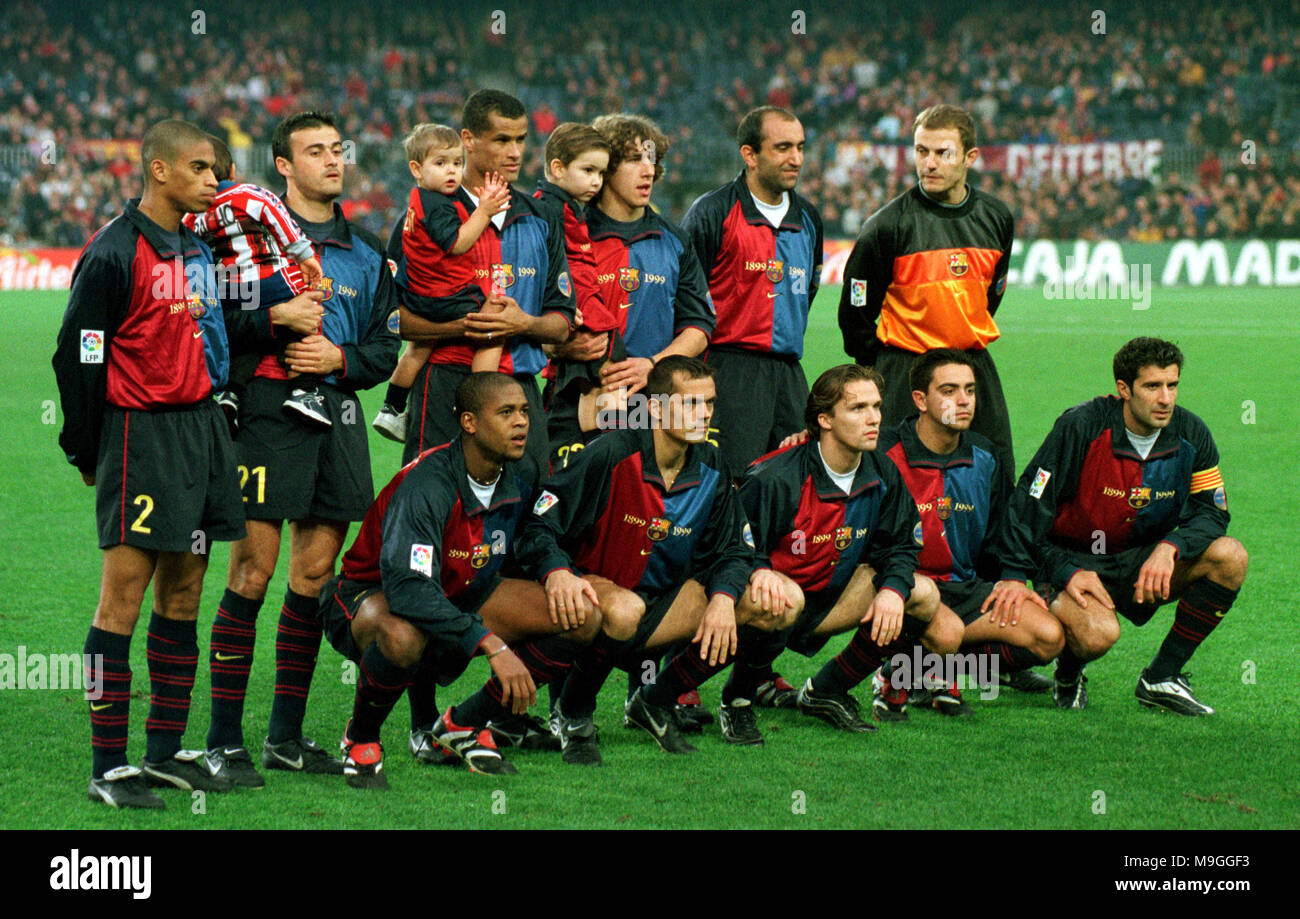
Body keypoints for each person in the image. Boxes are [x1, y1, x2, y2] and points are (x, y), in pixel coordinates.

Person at [202, 111, 401, 787]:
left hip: (338, 414)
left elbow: (383, 348)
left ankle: (285, 735)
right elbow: (214, 317)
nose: (332, 161)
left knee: (313, 577)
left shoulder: (368, 252)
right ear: (282, 165)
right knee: (251, 572)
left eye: (337, 150)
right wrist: (273, 320)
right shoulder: (241, 238)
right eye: (315, 151)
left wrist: (338, 357)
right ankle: (222, 740)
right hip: (265, 413)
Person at [53, 119, 245, 809]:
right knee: (123, 598)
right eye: (198, 168)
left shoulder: (198, 249)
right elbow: (79, 354)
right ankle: (109, 764)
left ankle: (163, 752)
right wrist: (84, 444)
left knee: (185, 592)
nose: (211, 180)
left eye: (216, 170)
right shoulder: (112, 252)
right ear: (158, 171)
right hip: (141, 436)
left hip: (201, 432)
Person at [321, 373, 606, 786]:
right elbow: (409, 589)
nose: (522, 422)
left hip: (461, 591)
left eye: (525, 411)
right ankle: (361, 737)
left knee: (582, 613)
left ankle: (462, 723)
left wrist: (556, 569)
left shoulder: (518, 470)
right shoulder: (427, 483)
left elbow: (532, 534)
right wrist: (491, 644)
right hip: (373, 596)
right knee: (405, 634)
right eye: (506, 412)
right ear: (469, 422)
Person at [515, 356, 765, 763]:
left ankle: (654, 699)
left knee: (763, 601)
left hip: (662, 608)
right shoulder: (611, 453)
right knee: (625, 609)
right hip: (597, 607)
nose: (704, 415)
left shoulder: (713, 464)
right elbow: (538, 524)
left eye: (710, 404)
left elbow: (735, 549)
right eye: (690, 404)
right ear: (654, 407)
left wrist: (722, 598)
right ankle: (575, 714)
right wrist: (557, 572)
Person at [1000, 337, 1248, 714]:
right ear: (1123, 389)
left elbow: (1213, 513)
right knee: (1099, 634)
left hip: (1142, 561)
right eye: (1152, 386)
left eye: (1172, 385)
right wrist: (1060, 571)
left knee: (1230, 556)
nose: (1165, 398)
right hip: (1074, 558)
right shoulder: (1080, 426)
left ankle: (1161, 677)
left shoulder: (1192, 434)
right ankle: (1068, 673)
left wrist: (1172, 546)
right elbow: (1028, 505)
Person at [733, 364, 959, 739]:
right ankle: (736, 699)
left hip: (826, 600)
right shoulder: (776, 476)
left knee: (920, 595)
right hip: (763, 606)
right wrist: (760, 572)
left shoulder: (882, 471)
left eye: (876, 406)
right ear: (824, 419)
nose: (873, 419)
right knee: (779, 597)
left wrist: (891, 591)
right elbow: (732, 545)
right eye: (858, 409)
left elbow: (901, 545)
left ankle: (826, 689)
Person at [873, 349, 1064, 720]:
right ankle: (896, 674)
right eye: (949, 390)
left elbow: (1000, 532)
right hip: (903, 587)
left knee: (1048, 636)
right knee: (945, 630)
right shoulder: (884, 452)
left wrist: (1008, 579)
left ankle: (932, 670)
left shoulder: (986, 456)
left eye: (970, 390)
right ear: (920, 400)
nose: (963, 400)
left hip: (964, 587)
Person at [837, 104, 1016, 488]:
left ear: (969, 157)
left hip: (972, 365)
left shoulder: (997, 217)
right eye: (921, 152)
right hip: (905, 371)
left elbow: (991, 295)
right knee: (894, 483)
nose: (929, 163)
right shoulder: (886, 226)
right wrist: (883, 364)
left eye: (942, 152)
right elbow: (855, 310)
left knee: (995, 473)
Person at [397, 90, 576, 470]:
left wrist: (522, 323)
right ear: (468, 141)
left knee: (529, 514)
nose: (515, 152)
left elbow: (562, 323)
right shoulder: (424, 219)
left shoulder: (542, 219)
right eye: (501, 140)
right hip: (446, 384)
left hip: (520, 390)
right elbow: (392, 320)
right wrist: (461, 326)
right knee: (437, 510)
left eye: (520, 140)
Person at [547, 113, 715, 470]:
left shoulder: (674, 240)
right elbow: (532, 318)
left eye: (652, 160)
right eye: (635, 159)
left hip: (652, 401)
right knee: (578, 510)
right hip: (580, 398)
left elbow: (699, 327)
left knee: (643, 506)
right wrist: (556, 343)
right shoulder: (568, 236)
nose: (648, 170)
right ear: (605, 167)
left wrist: (651, 366)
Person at [681, 106, 824, 480]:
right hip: (729, 370)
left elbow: (806, 293)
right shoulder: (713, 212)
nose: (796, 159)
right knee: (731, 482)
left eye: (800, 147)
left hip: (790, 375)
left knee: (795, 479)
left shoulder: (809, 219)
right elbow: (685, 297)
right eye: (782, 148)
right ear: (749, 154)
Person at [371, 123, 512, 442]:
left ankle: (392, 408)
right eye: (441, 164)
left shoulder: (418, 200)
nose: (452, 172)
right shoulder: (437, 205)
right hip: (442, 297)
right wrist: (485, 211)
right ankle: (480, 404)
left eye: (457, 163)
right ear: (416, 169)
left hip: (420, 295)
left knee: (419, 348)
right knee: (491, 328)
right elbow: (459, 243)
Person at [183, 133, 325, 429]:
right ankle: (304, 390)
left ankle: (230, 394)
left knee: (250, 337)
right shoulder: (250, 194)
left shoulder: (191, 215)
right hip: (269, 280)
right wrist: (304, 255)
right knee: (303, 312)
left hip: (229, 290)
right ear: (232, 170)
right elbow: (279, 219)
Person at [530, 123, 620, 453]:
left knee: (597, 378)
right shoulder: (548, 208)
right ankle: (595, 445)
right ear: (557, 167)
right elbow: (543, 263)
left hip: (583, 305)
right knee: (603, 377)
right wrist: (558, 303)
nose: (596, 181)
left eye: (601, 173)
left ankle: (592, 444)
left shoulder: (565, 206)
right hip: (583, 309)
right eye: (588, 170)